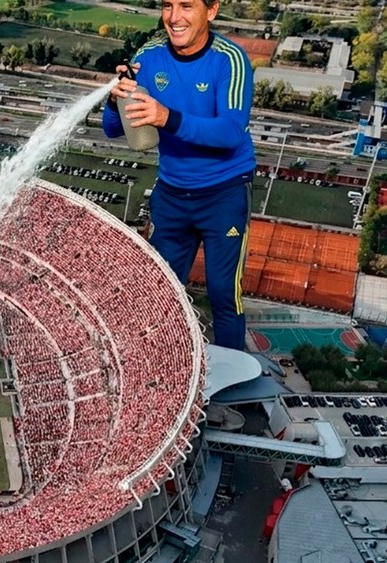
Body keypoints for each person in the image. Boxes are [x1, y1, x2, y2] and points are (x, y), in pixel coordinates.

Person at [101, 0, 255, 351]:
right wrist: (114, 101)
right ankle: (153, 364)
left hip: (224, 194)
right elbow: (112, 129)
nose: (174, 17)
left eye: (186, 5)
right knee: (159, 293)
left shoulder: (229, 59)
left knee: (223, 294)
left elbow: (231, 132)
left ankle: (233, 376)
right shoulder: (149, 55)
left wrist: (166, 117)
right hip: (172, 194)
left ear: (211, 11)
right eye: (168, 5)